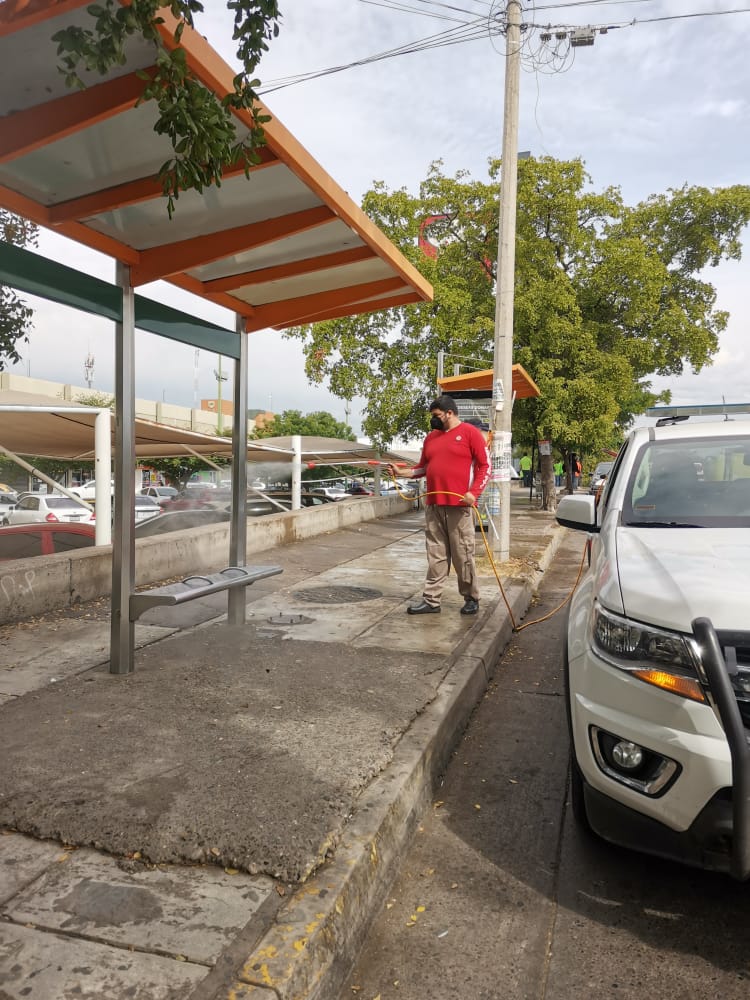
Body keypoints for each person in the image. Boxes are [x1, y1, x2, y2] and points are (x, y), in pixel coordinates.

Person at [386, 395, 490, 616]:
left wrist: (474, 493)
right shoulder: (431, 438)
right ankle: (431, 601)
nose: (433, 419)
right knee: (436, 555)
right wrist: (401, 472)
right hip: (434, 505)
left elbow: (485, 466)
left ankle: (471, 598)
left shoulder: (470, 433)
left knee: (463, 555)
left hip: (459, 506)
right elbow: (423, 467)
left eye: (436, 415)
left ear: (449, 413)